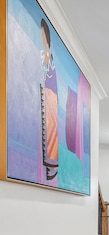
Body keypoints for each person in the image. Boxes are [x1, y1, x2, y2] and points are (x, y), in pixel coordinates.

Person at [40, 19, 59, 180]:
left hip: (50, 96)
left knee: (51, 127)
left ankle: (52, 165)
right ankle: (50, 165)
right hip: (48, 95)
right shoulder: (46, 56)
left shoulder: (48, 58)